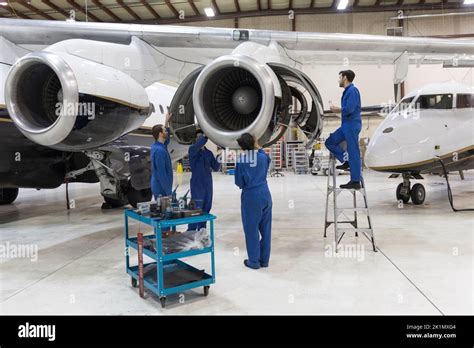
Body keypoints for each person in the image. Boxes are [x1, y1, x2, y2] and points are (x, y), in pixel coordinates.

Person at [234, 133, 273, 270]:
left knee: (251, 230)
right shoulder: (263, 157)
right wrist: (258, 147)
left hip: (251, 196)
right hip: (265, 193)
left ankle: (254, 262)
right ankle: (264, 260)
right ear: (254, 143)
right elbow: (267, 161)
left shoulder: (241, 161)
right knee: (266, 229)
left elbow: (238, 182)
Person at [325, 70, 362, 190]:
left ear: (345, 78)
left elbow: (350, 109)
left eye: (339, 77)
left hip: (351, 125)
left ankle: (355, 181)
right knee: (329, 142)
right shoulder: (347, 92)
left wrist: (337, 109)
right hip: (346, 125)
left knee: (354, 151)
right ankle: (346, 159)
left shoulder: (352, 90)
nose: (338, 80)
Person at [188, 129, 221, 231]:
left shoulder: (208, 153)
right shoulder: (192, 150)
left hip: (208, 184)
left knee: (206, 207)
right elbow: (199, 143)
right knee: (196, 209)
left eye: (201, 137)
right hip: (197, 184)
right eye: (198, 137)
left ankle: (202, 231)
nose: (200, 139)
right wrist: (207, 134)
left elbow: (215, 167)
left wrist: (220, 156)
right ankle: (191, 232)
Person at [150, 112, 173, 200]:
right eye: (165, 130)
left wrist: (166, 122)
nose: (167, 132)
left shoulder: (158, 146)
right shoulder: (159, 151)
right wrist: (168, 192)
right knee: (163, 212)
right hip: (161, 188)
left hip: (160, 185)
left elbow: (166, 140)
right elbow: (162, 174)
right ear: (160, 134)